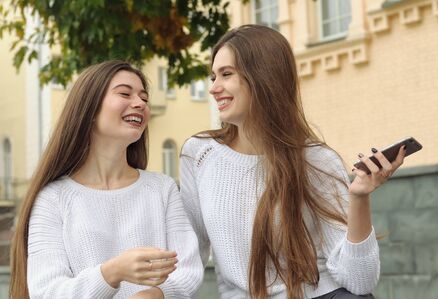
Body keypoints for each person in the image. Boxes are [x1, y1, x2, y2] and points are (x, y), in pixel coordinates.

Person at [180, 25, 406, 299]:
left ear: (263, 77)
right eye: (213, 76)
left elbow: (360, 282)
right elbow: (188, 257)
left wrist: (359, 197)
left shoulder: (317, 159)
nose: (214, 88)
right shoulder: (199, 155)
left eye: (226, 75)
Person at [10, 60, 203, 299]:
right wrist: (112, 272)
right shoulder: (52, 198)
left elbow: (188, 271)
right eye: (125, 93)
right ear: (89, 109)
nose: (139, 103)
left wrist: (154, 295)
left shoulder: (163, 189)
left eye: (144, 98)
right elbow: (47, 292)